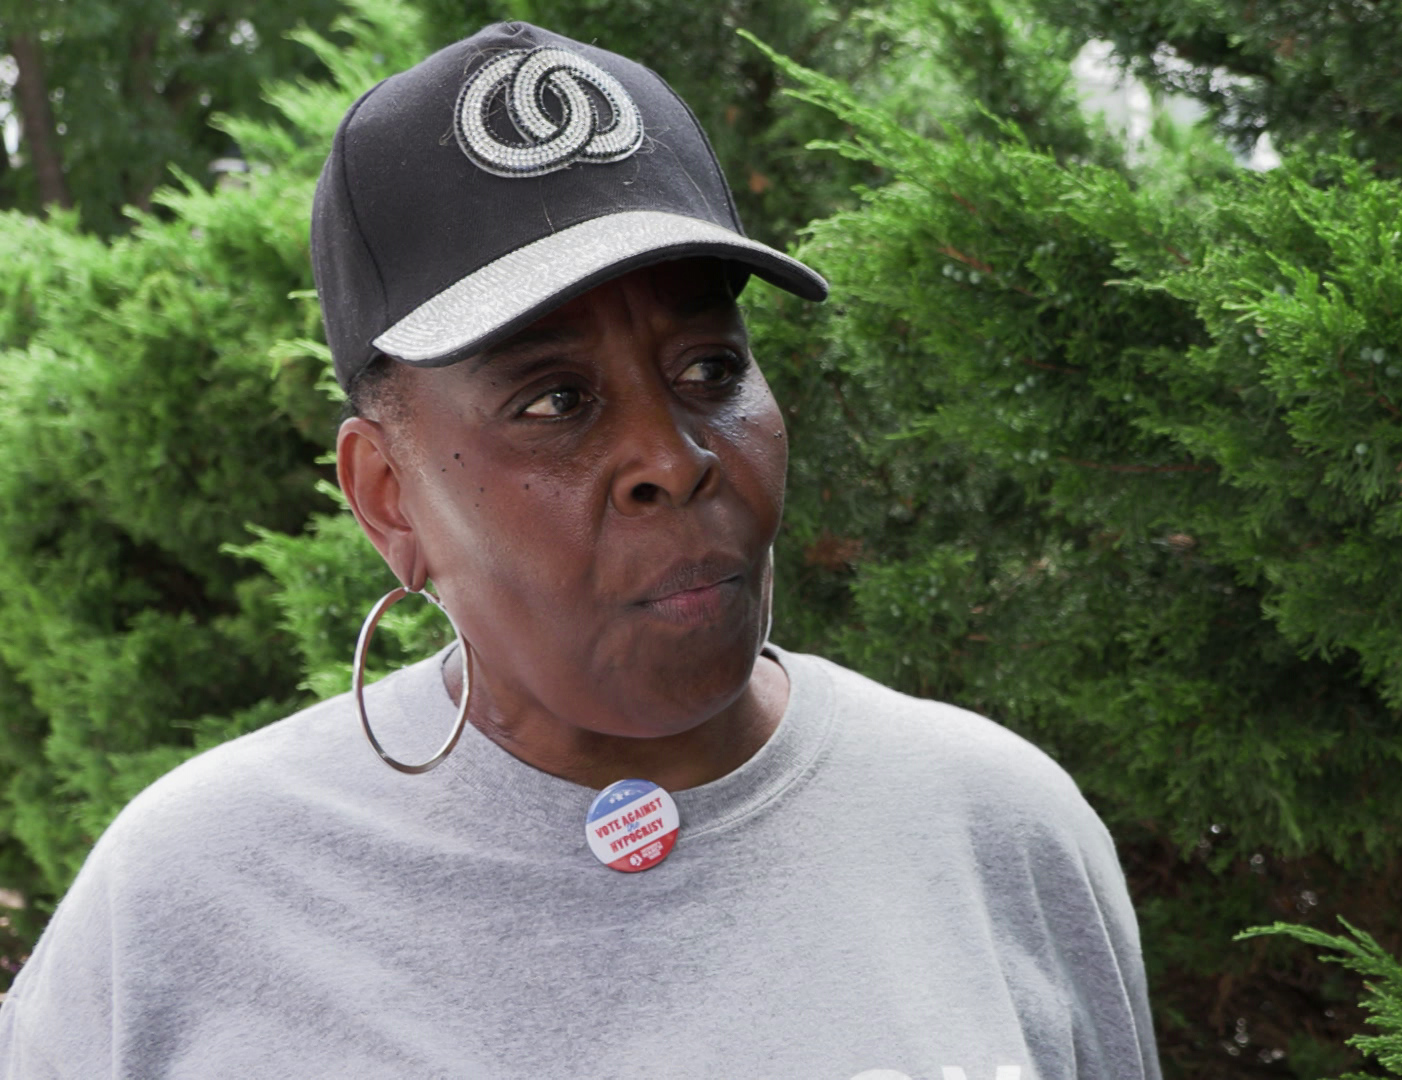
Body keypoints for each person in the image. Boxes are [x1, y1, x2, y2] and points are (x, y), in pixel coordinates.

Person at [0, 20, 1161, 1080]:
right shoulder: (189, 900)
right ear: (386, 496)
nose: (674, 455)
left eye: (709, 368)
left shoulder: (996, 828)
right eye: (555, 400)